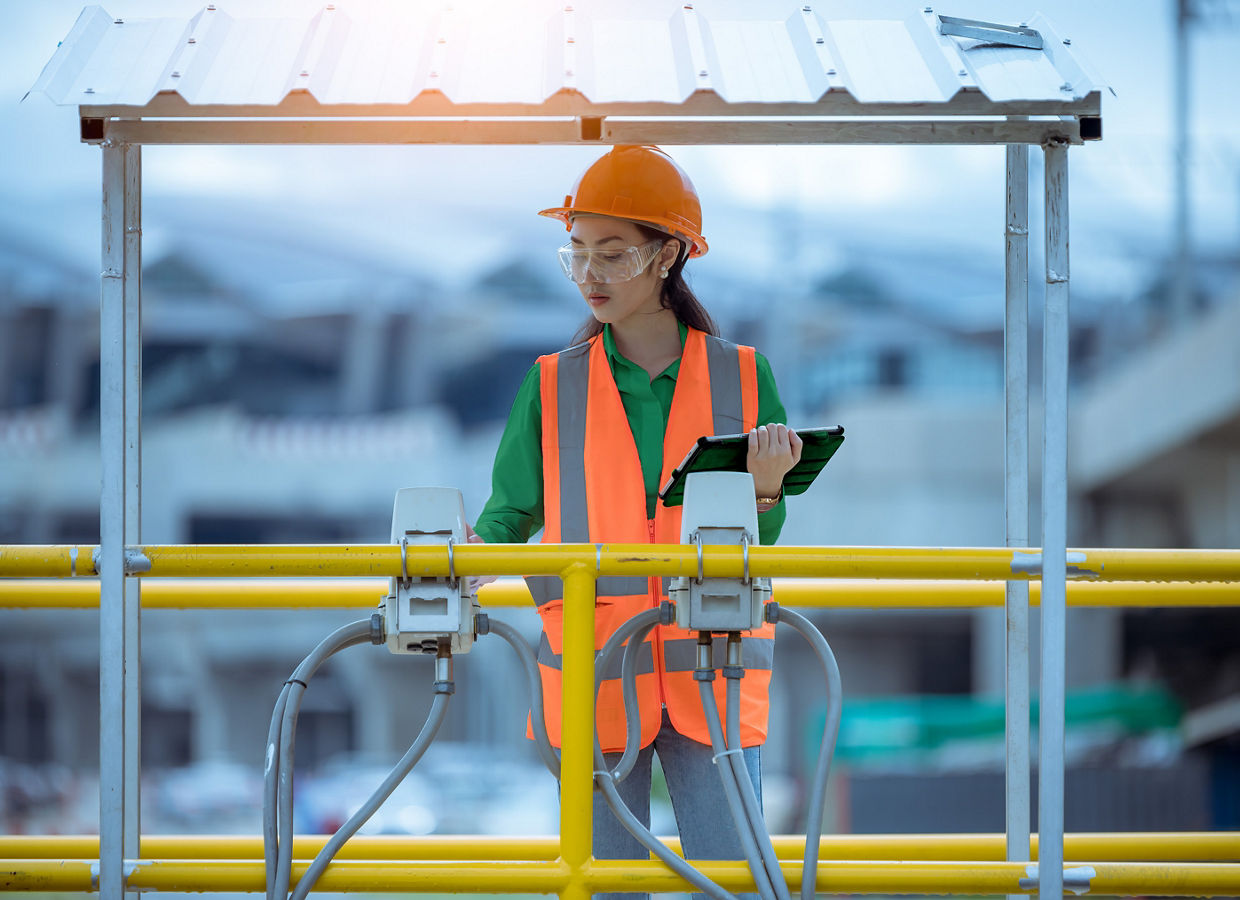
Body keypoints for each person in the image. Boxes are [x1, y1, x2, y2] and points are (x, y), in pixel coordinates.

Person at [471, 145, 801, 897]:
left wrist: (767, 491)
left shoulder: (745, 376)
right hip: (596, 675)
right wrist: (467, 557)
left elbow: (762, 541)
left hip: (711, 667)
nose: (590, 274)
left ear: (669, 256)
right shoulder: (550, 385)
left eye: (613, 254)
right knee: (604, 889)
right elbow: (508, 513)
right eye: (577, 253)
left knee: (733, 885)